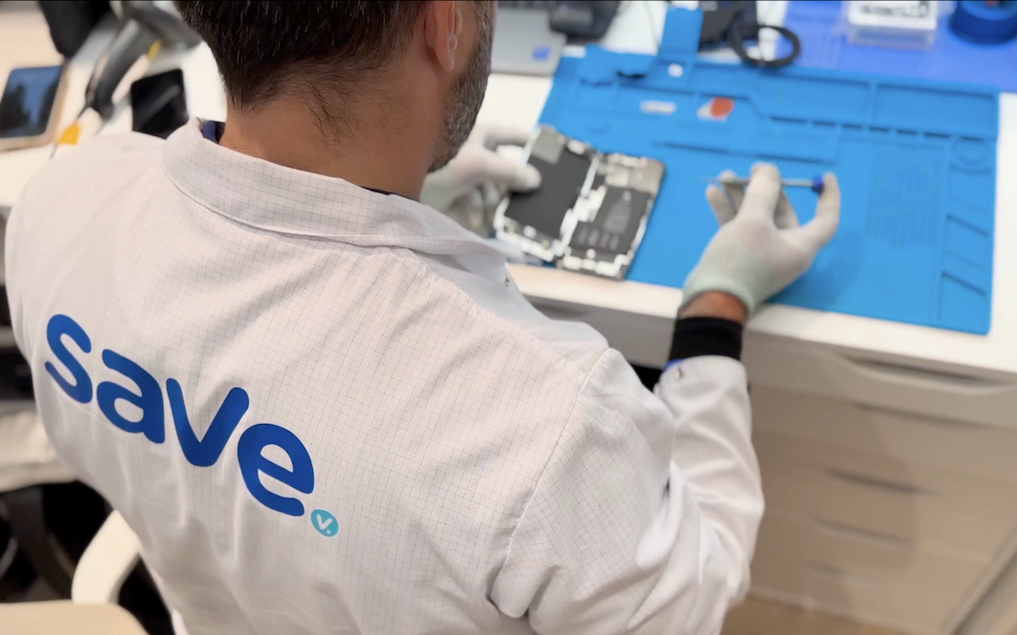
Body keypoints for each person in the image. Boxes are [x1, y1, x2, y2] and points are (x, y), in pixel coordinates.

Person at [4, 1, 840, 634]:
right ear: (444, 25)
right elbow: (694, 596)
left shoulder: (62, 201)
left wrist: (392, 198)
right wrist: (715, 310)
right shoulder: (550, 423)